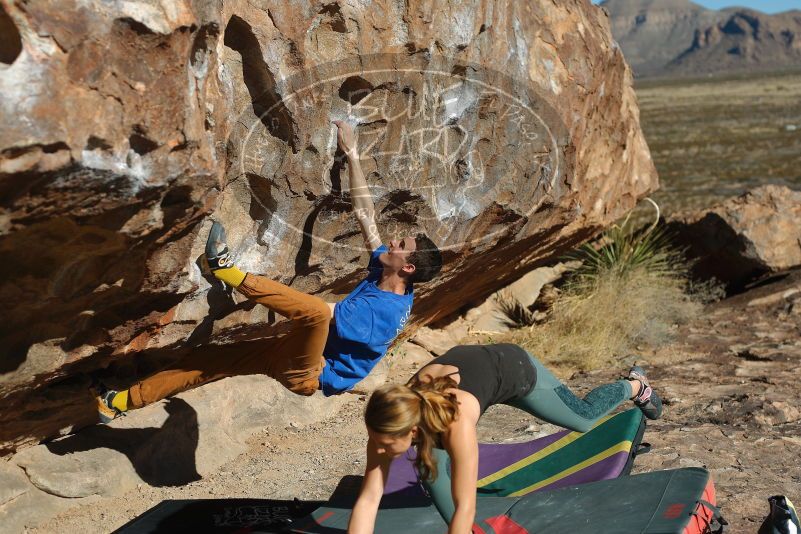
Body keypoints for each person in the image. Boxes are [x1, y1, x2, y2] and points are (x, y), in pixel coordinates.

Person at [95, 121, 442, 423]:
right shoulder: (390, 277)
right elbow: (366, 217)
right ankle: (117, 403)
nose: (393, 241)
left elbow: (319, 316)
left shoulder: (382, 311)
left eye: (401, 244)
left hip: (309, 372)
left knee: (315, 313)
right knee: (207, 363)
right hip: (293, 352)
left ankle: (227, 271)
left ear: (408, 267)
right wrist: (351, 154)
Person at [348, 344, 662, 534]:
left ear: (413, 432)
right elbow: (369, 498)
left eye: (385, 444)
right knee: (432, 474)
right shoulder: (389, 419)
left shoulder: (457, 425)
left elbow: (465, 506)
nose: (379, 449)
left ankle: (635, 386)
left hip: (512, 369)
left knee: (582, 417)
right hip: (462, 375)